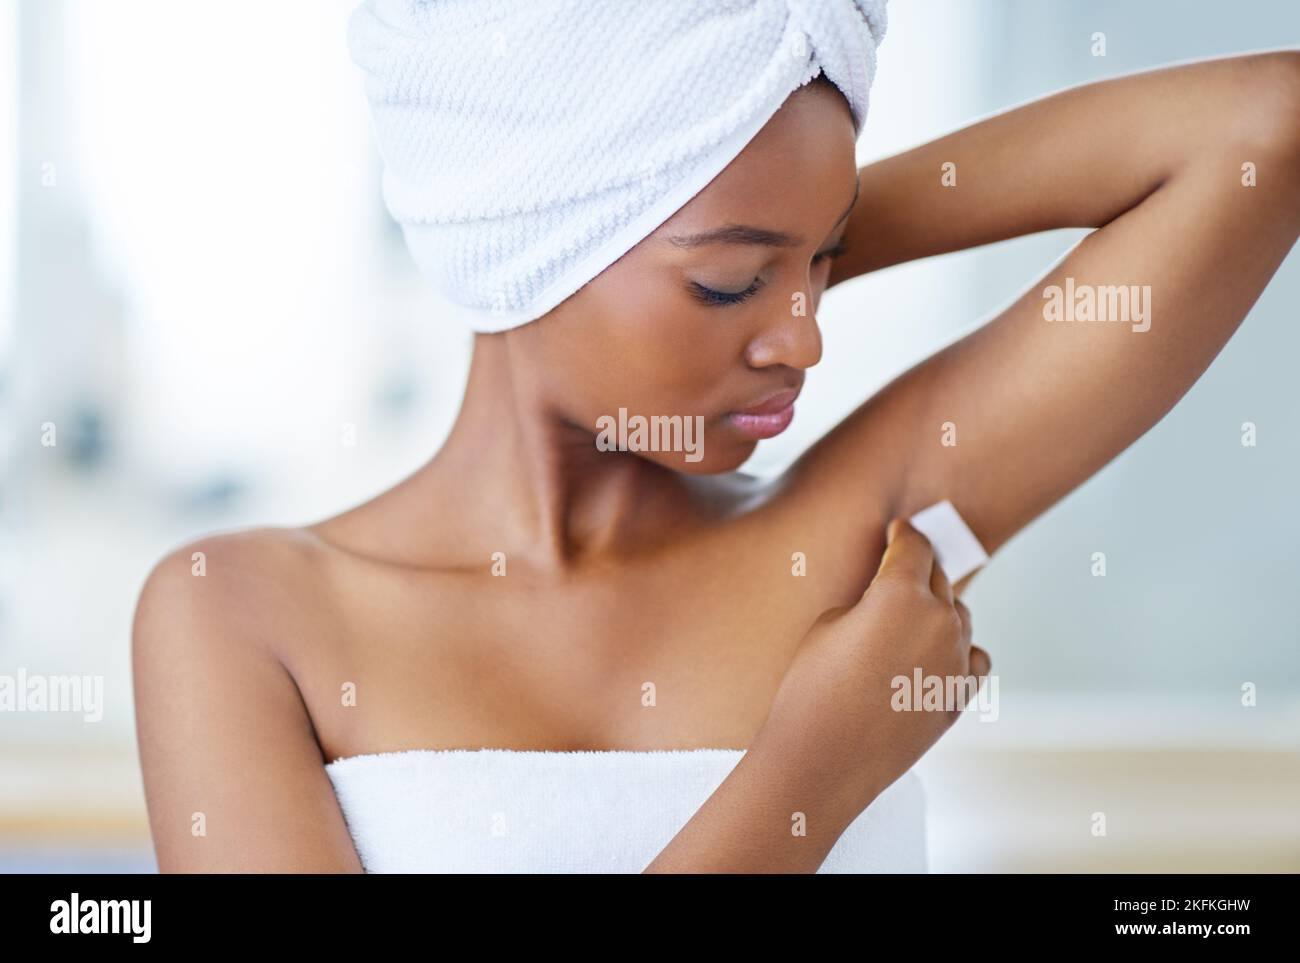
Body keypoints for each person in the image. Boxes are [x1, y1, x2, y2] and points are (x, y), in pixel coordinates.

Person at [131, 0, 1300, 872]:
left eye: (825, 269)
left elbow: (1266, 123)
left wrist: (780, 238)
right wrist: (806, 782)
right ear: (525, 248)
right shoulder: (241, 615)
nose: (806, 342)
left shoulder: (856, 549)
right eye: (732, 287)